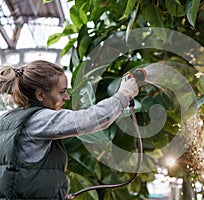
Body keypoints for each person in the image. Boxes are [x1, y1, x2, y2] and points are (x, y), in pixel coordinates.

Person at [0, 60, 139, 199]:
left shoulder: (6, 119)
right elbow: (90, 119)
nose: (67, 97)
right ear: (40, 95)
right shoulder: (39, 119)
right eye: (62, 91)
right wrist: (124, 94)